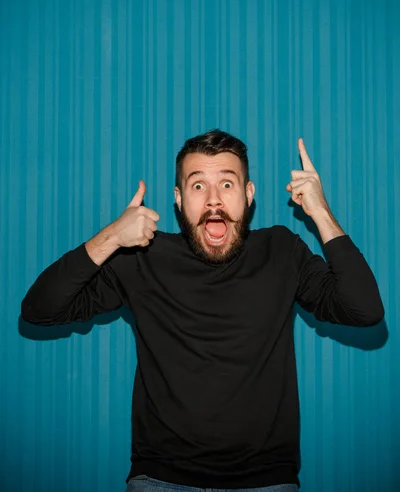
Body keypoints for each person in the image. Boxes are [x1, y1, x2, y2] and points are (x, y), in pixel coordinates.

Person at [21, 129, 384, 492]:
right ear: (179, 200)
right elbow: (39, 309)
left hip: (265, 482)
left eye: (227, 184)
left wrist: (320, 211)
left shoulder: (282, 252)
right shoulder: (142, 259)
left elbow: (364, 309)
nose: (213, 200)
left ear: (248, 194)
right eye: (198, 186)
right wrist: (112, 237)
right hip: (161, 480)